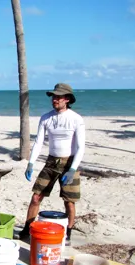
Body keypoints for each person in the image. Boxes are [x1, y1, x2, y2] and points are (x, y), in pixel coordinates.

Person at [15, 83, 85, 245]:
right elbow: (39, 142)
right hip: (51, 162)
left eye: (58, 97)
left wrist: (73, 168)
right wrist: (31, 163)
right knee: (35, 197)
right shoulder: (46, 117)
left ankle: (68, 231)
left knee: (69, 201)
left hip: (70, 162)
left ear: (67, 99)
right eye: (53, 96)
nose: (55, 99)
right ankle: (28, 228)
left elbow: (81, 147)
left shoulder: (76, 119)